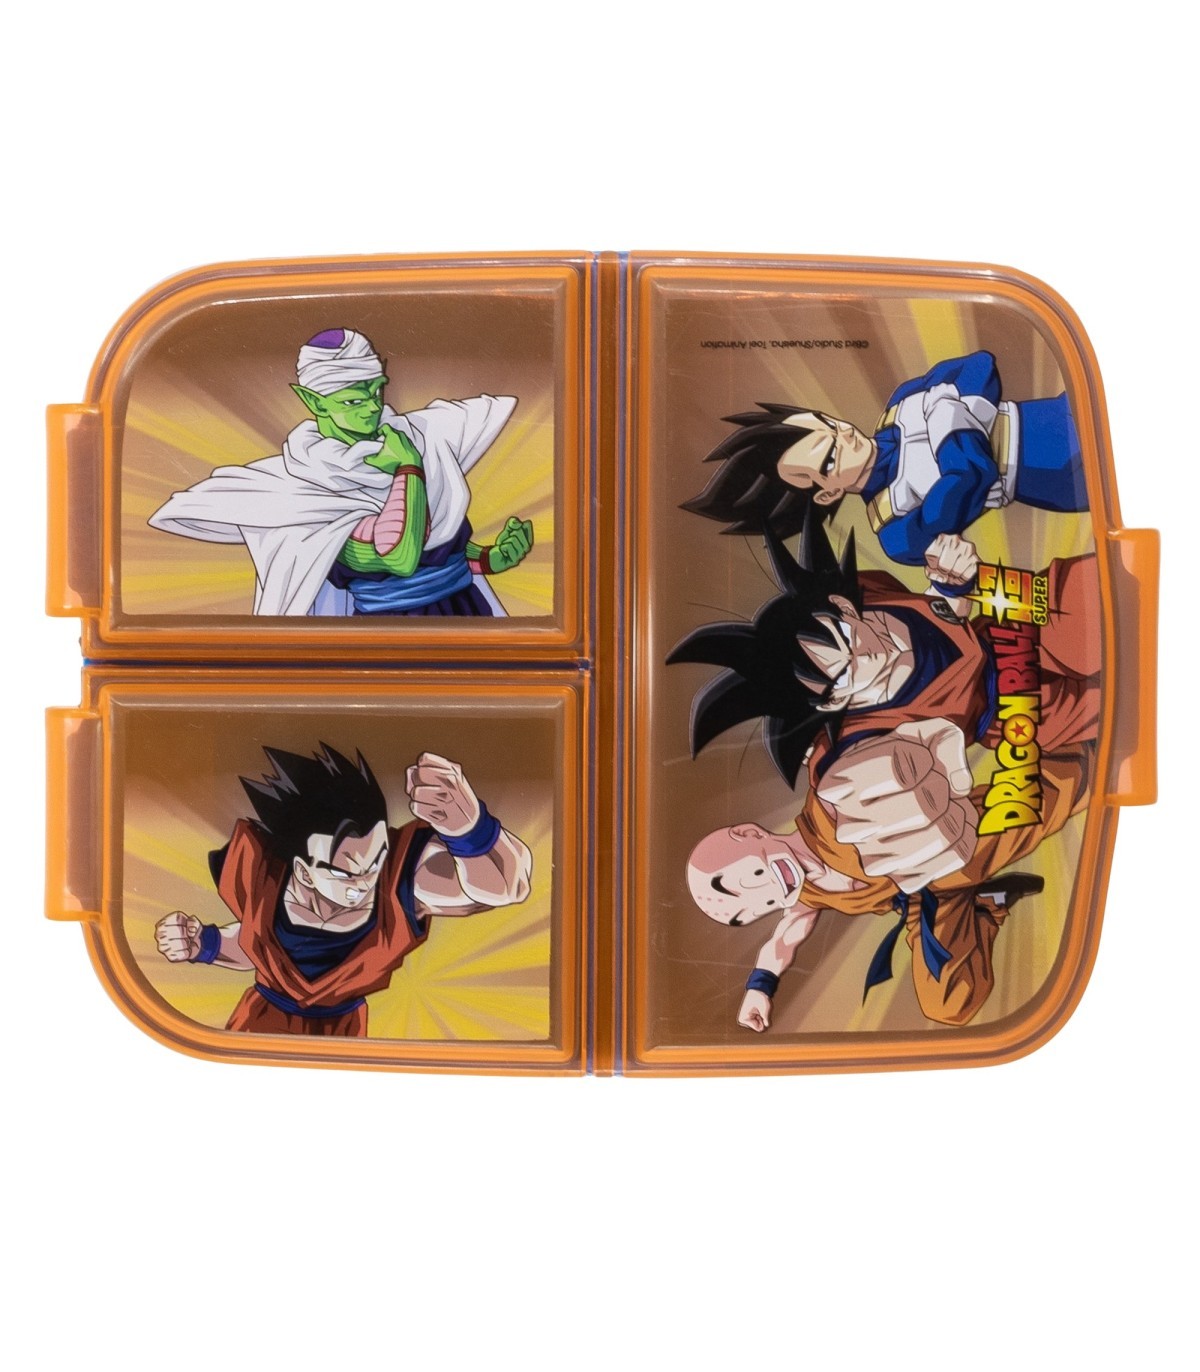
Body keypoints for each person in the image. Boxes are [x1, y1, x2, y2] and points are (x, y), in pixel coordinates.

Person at [686, 744, 1092, 1029]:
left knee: (1057, 795)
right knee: (949, 1005)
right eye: (752, 911)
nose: (765, 899)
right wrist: (760, 988)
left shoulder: (828, 808)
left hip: (956, 840)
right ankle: (985, 905)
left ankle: (1081, 765)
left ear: (749, 834)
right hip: (926, 899)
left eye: (745, 884)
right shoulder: (809, 895)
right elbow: (784, 939)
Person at [149, 328, 534, 616]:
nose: (372, 407)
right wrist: (408, 469)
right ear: (314, 402)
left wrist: (490, 559)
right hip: (392, 640)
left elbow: (439, 550)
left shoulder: (419, 438)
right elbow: (398, 558)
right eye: (352, 400)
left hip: (467, 615)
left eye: (376, 390)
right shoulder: (303, 490)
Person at [154, 745, 532, 1037]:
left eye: (376, 859)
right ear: (302, 871)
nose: (367, 881)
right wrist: (204, 944)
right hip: (256, 1029)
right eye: (347, 873)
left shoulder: (399, 878)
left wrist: (471, 831)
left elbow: (505, 888)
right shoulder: (262, 873)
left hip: (343, 1039)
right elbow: (260, 948)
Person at [681, 350, 1086, 589]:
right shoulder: (897, 530)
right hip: (1061, 477)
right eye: (830, 458)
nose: (844, 435)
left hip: (1066, 411)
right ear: (826, 493)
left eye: (828, 424)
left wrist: (954, 427)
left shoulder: (900, 401)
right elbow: (972, 476)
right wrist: (948, 411)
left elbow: (980, 365)